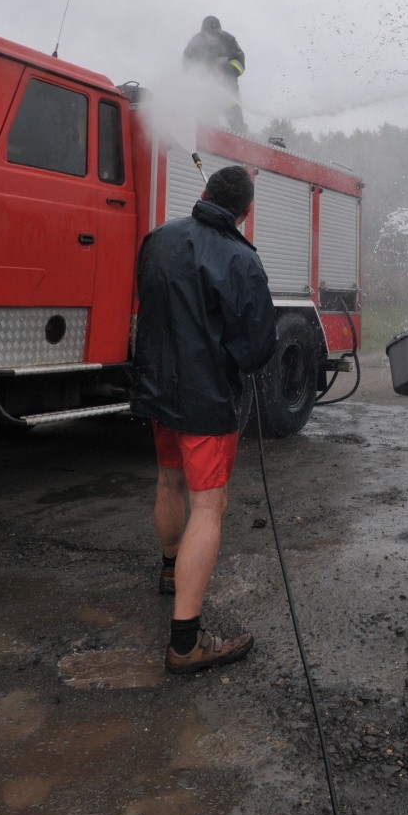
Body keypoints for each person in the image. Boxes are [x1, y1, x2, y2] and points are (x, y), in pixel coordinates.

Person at [132, 165, 277, 673]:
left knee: (168, 481)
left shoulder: (158, 239)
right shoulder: (241, 258)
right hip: (207, 401)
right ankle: (186, 643)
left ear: (204, 194)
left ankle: (171, 570)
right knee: (208, 507)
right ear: (246, 211)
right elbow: (257, 348)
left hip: (157, 389)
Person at [182, 15, 246, 133]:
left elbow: (240, 64)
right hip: (207, 95)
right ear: (203, 34)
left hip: (229, 93)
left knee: (238, 128)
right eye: (211, 35)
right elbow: (187, 69)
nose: (215, 37)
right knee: (210, 129)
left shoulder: (229, 41)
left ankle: (243, 148)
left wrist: (225, 70)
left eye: (217, 34)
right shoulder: (194, 44)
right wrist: (200, 76)